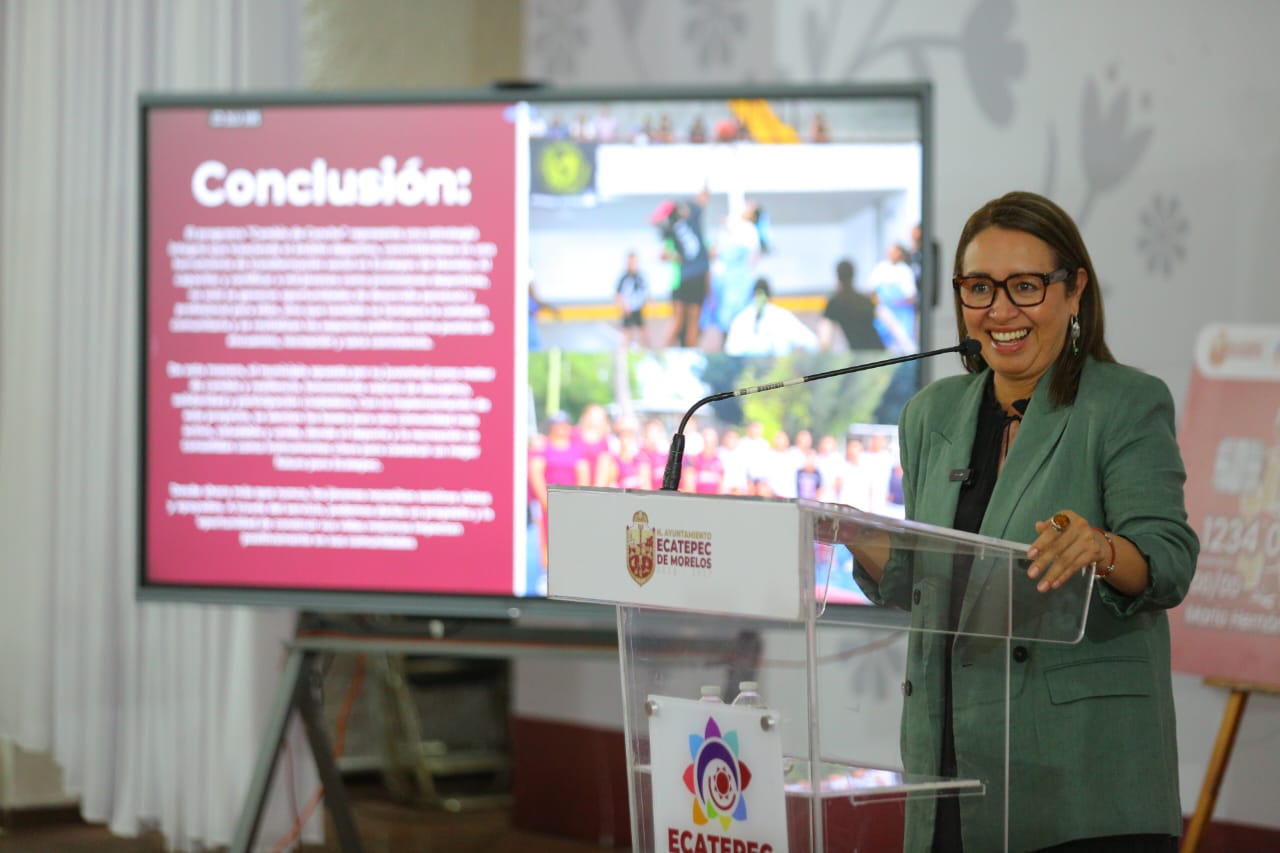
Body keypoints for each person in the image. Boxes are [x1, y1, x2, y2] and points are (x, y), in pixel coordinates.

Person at [843, 191, 1199, 852]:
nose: (1000, 310)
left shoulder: (1124, 402)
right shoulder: (930, 414)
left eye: (1025, 287)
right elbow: (929, 583)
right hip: (949, 761)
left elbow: (1168, 560)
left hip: (1083, 780)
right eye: (979, 287)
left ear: (1075, 290)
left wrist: (1100, 548)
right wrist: (851, 535)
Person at [723, 277, 819, 357]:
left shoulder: (740, 319)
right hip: (770, 370)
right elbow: (812, 343)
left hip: (761, 370)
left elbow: (730, 351)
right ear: (770, 294)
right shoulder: (782, 316)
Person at [862, 243, 919, 354]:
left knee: (904, 345)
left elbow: (912, 297)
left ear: (900, 253)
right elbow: (870, 290)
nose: (891, 253)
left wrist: (895, 303)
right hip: (883, 314)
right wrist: (878, 301)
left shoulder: (905, 271)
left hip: (902, 316)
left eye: (894, 251)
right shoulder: (881, 268)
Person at [818, 258, 882, 352]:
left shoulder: (835, 303)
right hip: (878, 351)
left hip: (860, 354)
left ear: (837, 276)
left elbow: (825, 342)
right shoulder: (864, 301)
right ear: (853, 275)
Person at [614, 250, 650, 349]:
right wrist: (623, 306)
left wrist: (647, 303)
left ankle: (646, 350)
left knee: (643, 331)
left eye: (634, 262)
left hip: (638, 308)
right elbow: (618, 294)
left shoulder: (640, 276)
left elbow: (645, 291)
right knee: (626, 332)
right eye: (630, 262)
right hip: (628, 309)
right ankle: (622, 352)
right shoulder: (624, 277)